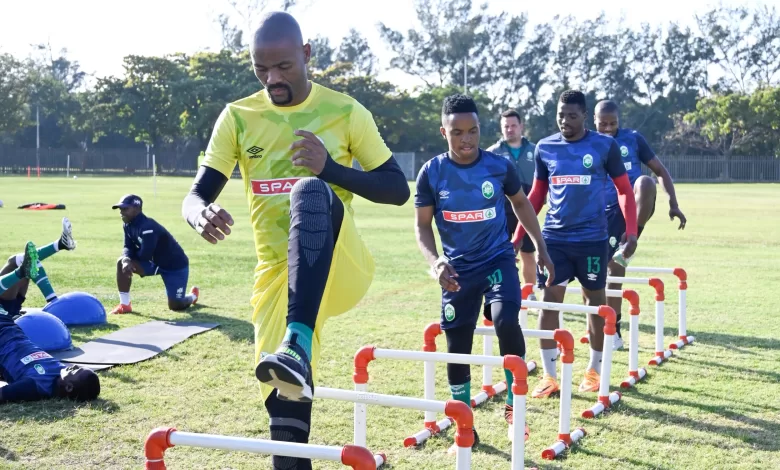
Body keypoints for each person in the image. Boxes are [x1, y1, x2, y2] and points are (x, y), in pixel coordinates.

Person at [181, 11, 409, 470]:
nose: (272, 79)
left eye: (283, 66)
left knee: (310, 189)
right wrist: (196, 214)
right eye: (260, 69)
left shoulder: (345, 111)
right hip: (277, 280)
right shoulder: (239, 117)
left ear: (306, 55)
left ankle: (298, 341)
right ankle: (296, 352)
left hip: (340, 265)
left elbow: (397, 189)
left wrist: (331, 170)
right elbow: (196, 193)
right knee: (285, 421)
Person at [415, 94, 554, 446]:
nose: (466, 139)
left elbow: (521, 203)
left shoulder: (498, 166)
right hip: (457, 271)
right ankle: (465, 426)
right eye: (457, 132)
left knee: (506, 320)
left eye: (473, 131)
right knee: (457, 345)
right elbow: (422, 227)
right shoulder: (431, 173)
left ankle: (514, 410)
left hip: (498, 260)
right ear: (442, 131)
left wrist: (540, 248)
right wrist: (436, 262)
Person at [512, 90, 638, 398]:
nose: (565, 121)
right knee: (550, 300)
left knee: (595, 304)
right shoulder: (545, 147)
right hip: (554, 239)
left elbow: (624, 190)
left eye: (571, 115)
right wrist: (516, 239)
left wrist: (631, 231)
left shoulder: (603, 146)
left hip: (593, 240)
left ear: (584, 116)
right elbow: (536, 197)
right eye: (560, 115)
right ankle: (550, 375)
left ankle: (594, 371)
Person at [594, 100, 687, 350]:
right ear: (594, 121)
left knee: (645, 182)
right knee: (604, 274)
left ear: (619, 121)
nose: (608, 128)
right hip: (599, 214)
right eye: (603, 124)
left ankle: (629, 240)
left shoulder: (633, 139)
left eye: (613, 123)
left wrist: (674, 203)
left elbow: (660, 171)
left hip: (630, 213)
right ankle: (605, 328)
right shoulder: (589, 142)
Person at [0, 242, 101, 404]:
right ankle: (25, 269)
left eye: (75, 371)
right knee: (17, 264)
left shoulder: (35, 386)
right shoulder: (60, 370)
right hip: (9, 323)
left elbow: (3, 394)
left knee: (17, 270)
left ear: (68, 387)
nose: (74, 366)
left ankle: (28, 267)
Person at [110, 194, 198, 314]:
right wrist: (126, 259)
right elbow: (128, 246)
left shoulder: (148, 227)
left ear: (137, 209)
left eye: (125, 209)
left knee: (176, 306)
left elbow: (145, 255)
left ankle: (192, 296)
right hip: (154, 262)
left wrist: (130, 259)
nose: (121, 212)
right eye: (120, 209)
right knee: (121, 262)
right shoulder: (127, 224)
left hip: (174, 266)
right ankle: (125, 305)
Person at [486, 109, 539, 289]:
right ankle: (503, 291)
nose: (510, 129)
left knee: (528, 253)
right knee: (501, 254)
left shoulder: (535, 150)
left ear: (521, 126)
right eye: (505, 126)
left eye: (513, 125)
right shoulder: (492, 153)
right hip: (501, 212)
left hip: (527, 210)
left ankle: (529, 293)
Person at [0, 218, 76, 317]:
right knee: (25, 261)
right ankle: (53, 302)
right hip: (5, 307)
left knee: (20, 260)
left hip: (7, 303)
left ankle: (60, 244)